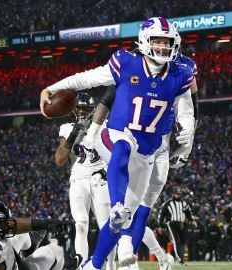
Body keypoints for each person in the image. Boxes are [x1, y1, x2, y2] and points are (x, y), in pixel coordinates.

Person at [40, 17, 195, 270]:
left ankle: (95, 263)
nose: (163, 47)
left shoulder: (180, 74)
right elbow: (87, 79)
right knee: (123, 147)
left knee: (120, 222)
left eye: (167, 42)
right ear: (145, 40)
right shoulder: (126, 62)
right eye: (157, 41)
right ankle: (117, 206)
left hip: (147, 152)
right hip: (113, 136)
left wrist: (187, 131)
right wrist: (52, 87)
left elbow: (186, 110)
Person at [54, 93, 116, 270]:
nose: (82, 112)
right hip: (79, 179)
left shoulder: (104, 125)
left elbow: (114, 152)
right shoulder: (67, 128)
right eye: (79, 108)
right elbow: (59, 160)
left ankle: (111, 266)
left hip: (100, 177)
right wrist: (75, 133)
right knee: (80, 224)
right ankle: (82, 265)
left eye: (85, 108)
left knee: (107, 226)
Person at [0, 200, 70, 270]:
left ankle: (30, 248)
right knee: (56, 250)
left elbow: (15, 224)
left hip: (0, 258)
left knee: (21, 235)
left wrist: (47, 224)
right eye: (3, 223)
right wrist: (18, 259)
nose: (9, 224)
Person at [158, 190, 195, 265]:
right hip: (172, 223)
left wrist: (192, 220)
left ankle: (180, 257)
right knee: (176, 240)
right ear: (174, 194)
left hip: (182, 223)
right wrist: (160, 226)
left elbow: (189, 212)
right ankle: (180, 259)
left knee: (183, 241)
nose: (178, 195)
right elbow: (162, 214)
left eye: (179, 194)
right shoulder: (168, 203)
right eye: (177, 194)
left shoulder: (184, 203)